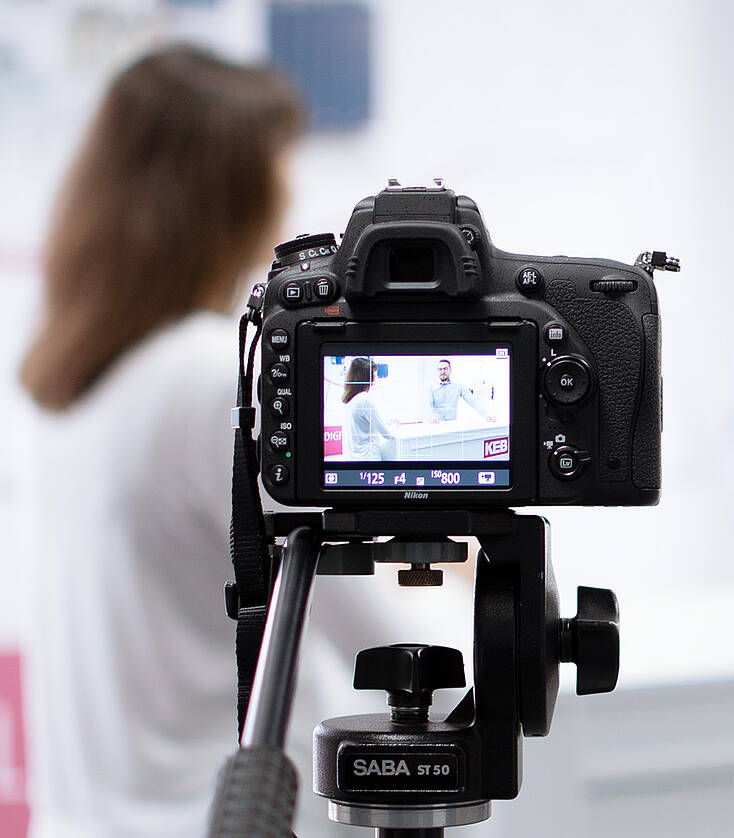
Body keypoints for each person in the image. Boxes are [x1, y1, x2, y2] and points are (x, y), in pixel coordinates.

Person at [19, 45, 452, 838]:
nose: (290, 191)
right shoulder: (213, 379)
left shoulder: (82, 378)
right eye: (279, 164)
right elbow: (402, 645)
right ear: (227, 192)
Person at [343, 356, 395, 459]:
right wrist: (393, 426)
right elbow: (386, 433)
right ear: (366, 376)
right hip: (367, 458)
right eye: (374, 373)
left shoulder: (350, 399)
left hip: (353, 459)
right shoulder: (365, 399)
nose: (376, 376)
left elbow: (364, 425)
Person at [428, 358, 495, 422]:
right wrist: (431, 417)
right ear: (437, 371)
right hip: (436, 423)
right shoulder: (431, 386)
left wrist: (487, 416)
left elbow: (473, 401)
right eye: (440, 369)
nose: (443, 372)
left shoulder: (458, 386)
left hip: (451, 423)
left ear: (450, 370)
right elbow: (427, 405)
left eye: (445, 369)